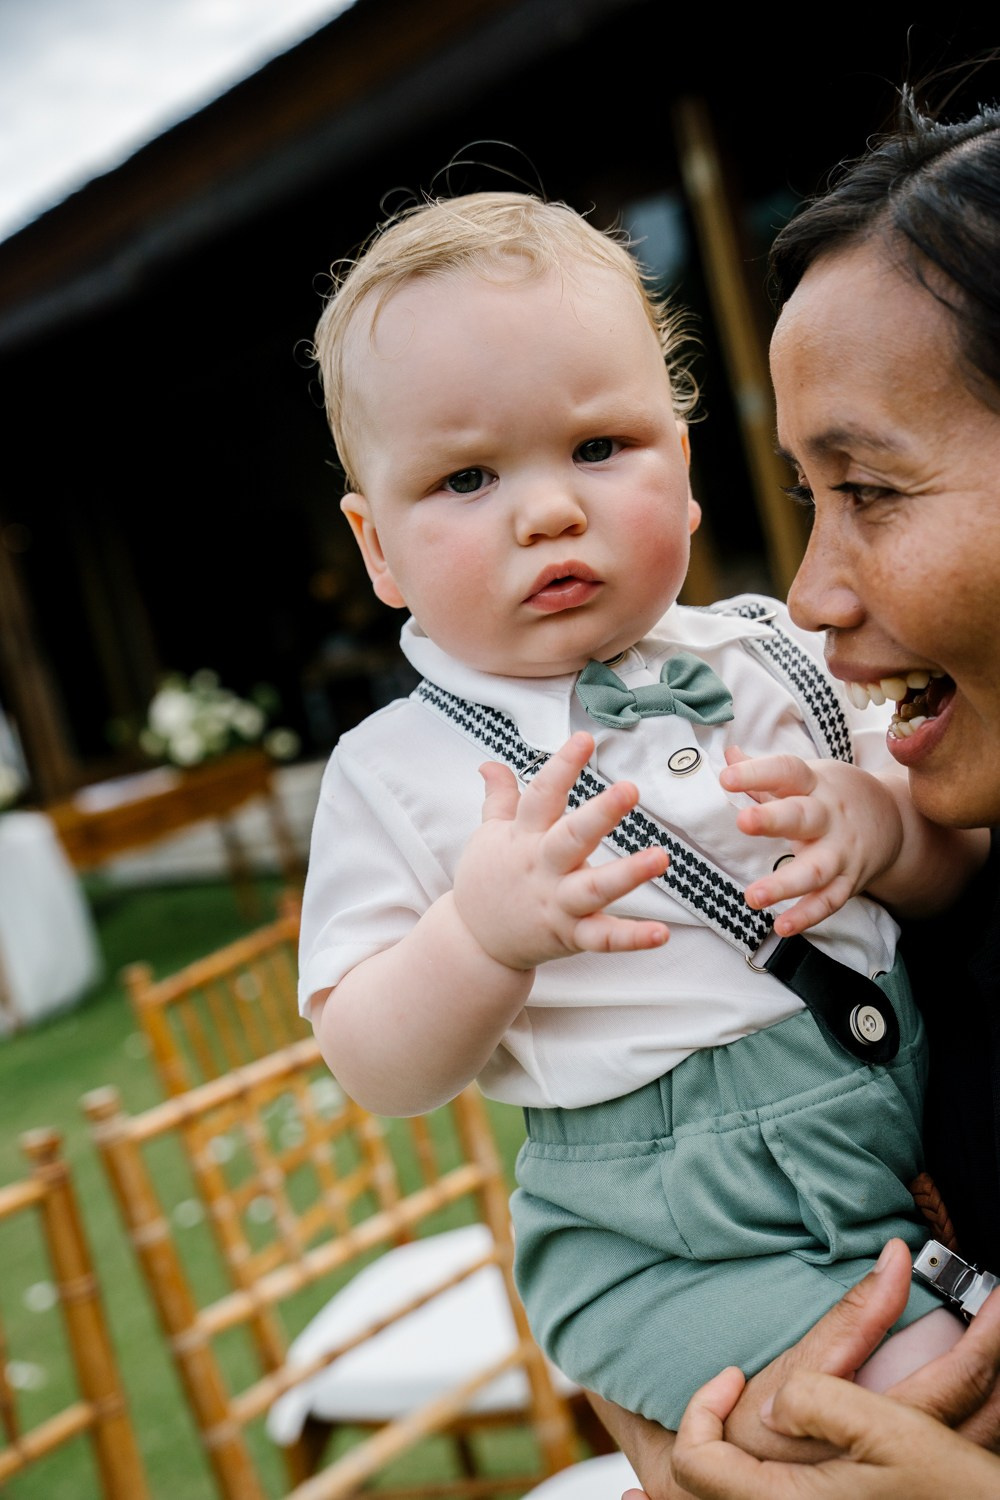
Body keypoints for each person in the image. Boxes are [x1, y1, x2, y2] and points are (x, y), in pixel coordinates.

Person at [296, 189, 984, 1445]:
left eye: (600, 449)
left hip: (876, 1143)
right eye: (465, 477)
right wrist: (481, 941)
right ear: (378, 548)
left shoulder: (785, 655)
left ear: (687, 464)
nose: (548, 509)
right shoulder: (399, 769)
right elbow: (372, 1061)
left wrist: (882, 829)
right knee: (931, 1400)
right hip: (668, 1227)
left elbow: (954, 865)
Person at [614, 75, 1000, 1500]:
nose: (810, 596)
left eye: (874, 491)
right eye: (803, 497)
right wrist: (691, 1425)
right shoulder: (923, 892)